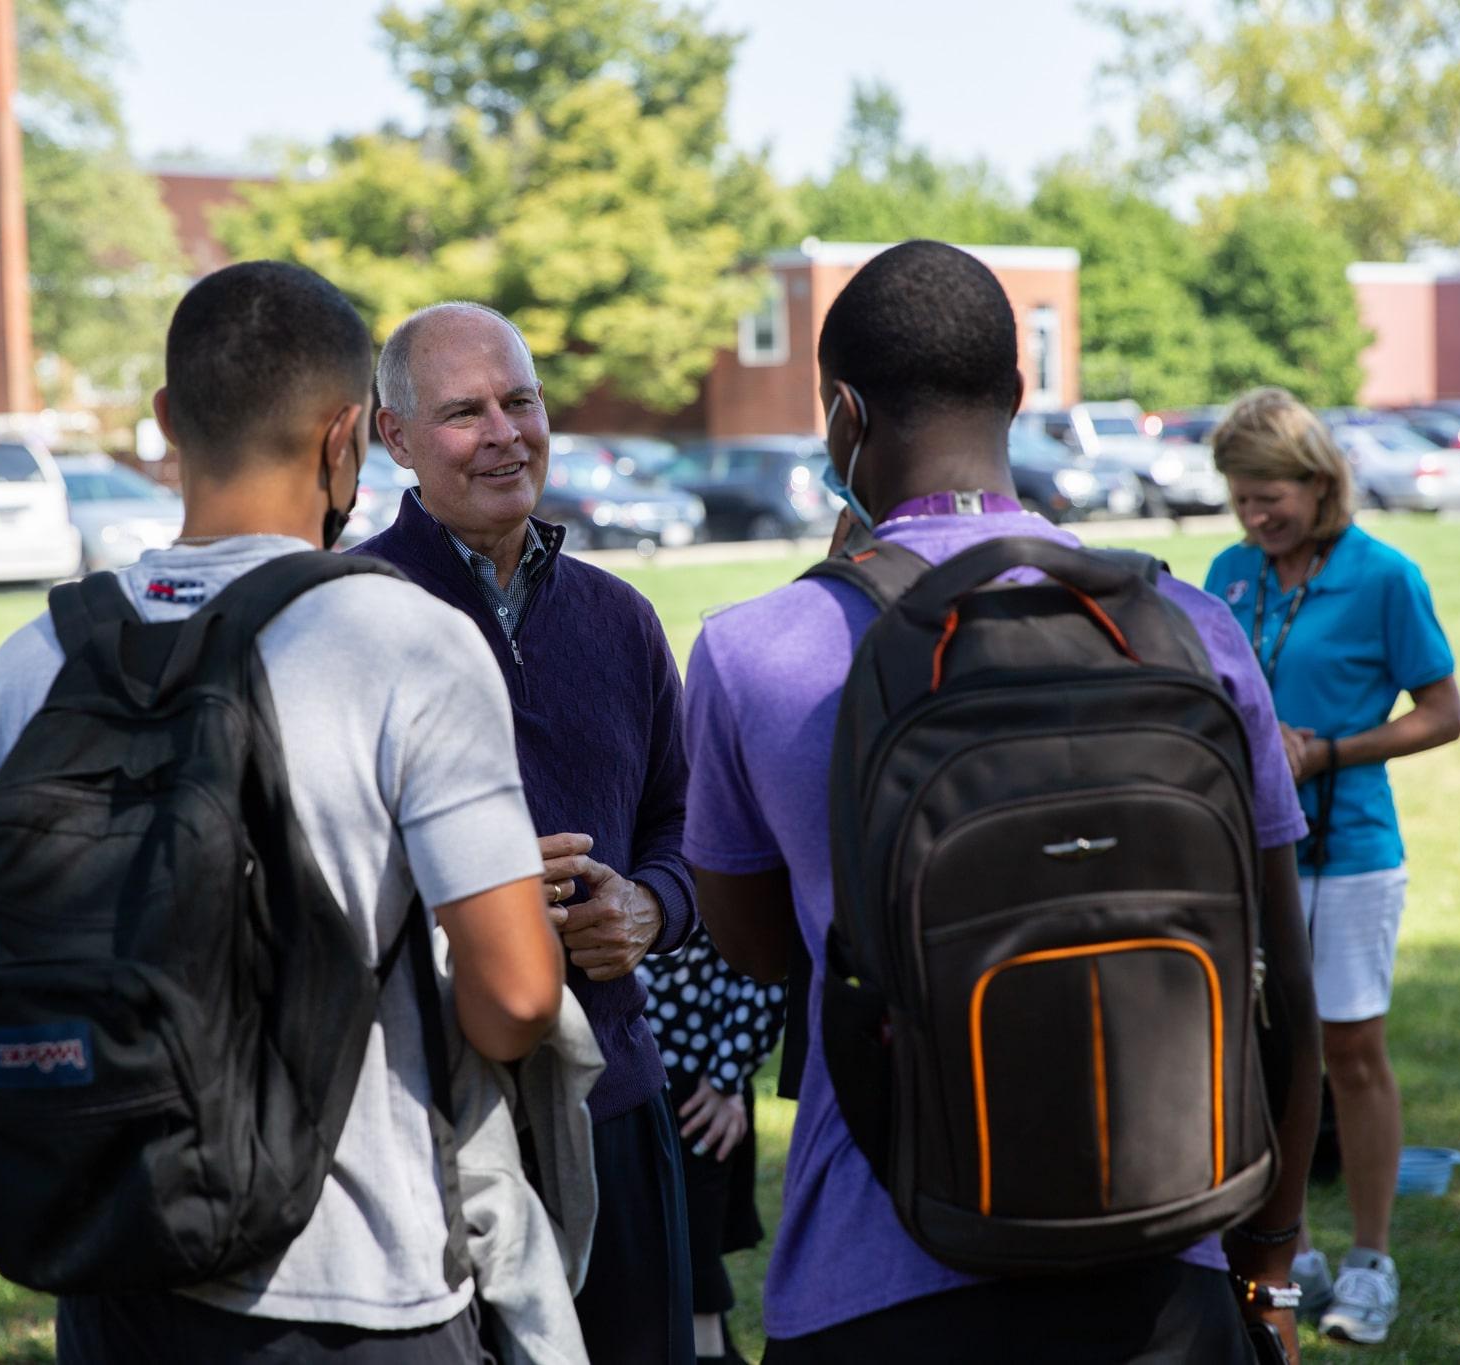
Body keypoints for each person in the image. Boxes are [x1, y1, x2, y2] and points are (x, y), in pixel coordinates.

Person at [683, 240, 1323, 1362]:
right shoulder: (1184, 630)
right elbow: (1282, 977)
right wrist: (1264, 1263)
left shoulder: (751, 652)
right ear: (1018, 398)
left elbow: (758, 949)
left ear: (842, 415)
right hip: (1161, 1248)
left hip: (874, 1272)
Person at [0, 261, 565, 1362]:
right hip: (360, 1282)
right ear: (349, 438)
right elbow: (515, 997)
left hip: (110, 1255)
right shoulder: (402, 641)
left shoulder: (34, 657)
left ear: (169, 420)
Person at [365, 301, 700, 1365]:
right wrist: (485, 902)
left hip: (614, 1092)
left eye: (521, 400)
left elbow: (685, 822)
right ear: (394, 438)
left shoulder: (619, 618)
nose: (506, 432)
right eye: (465, 412)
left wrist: (652, 907)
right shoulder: (352, 615)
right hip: (426, 1123)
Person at [1206, 389, 1460, 1347]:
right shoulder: (1229, 575)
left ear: (1320, 483)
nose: (1254, 518)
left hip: (1350, 852)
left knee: (1351, 1055)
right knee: (1271, 1057)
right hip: (1249, 857)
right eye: (1240, 500)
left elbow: (1443, 713)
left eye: (1268, 496)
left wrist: (1327, 751)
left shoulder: (1384, 576)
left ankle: (1371, 1259)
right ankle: (1292, 1251)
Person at [637, 931, 782, 1365]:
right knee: (663, 1273)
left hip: (697, 1094)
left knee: (692, 1274)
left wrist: (725, 1077)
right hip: (631, 1085)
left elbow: (769, 962)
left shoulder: (703, 865)